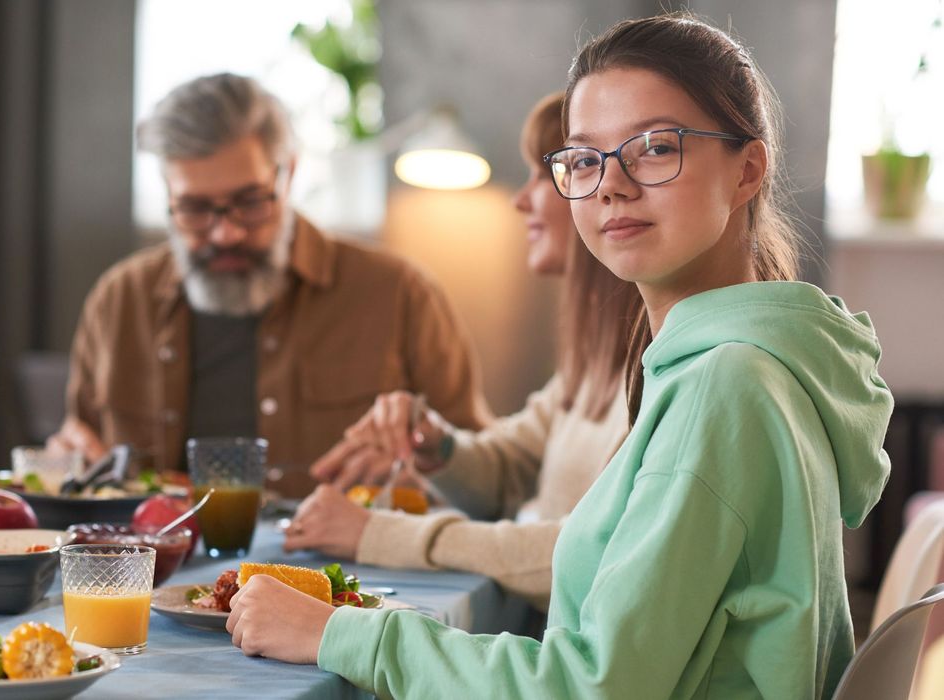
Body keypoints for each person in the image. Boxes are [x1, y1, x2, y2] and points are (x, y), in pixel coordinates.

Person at [225, 14, 894, 698]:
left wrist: (336, 632)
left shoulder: (726, 386)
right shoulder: (723, 365)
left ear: (748, 169)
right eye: (582, 158)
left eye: (656, 148)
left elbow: (588, 687)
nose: (611, 184)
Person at [48, 73, 491, 495]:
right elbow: (82, 450)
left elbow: (486, 472)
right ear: (167, 194)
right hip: (160, 569)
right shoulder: (119, 301)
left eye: (249, 202)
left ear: (289, 173)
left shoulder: (398, 294)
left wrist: (421, 472)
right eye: (195, 209)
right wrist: (66, 460)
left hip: (348, 571)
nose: (226, 233)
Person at [282, 91, 637, 612]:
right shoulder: (594, 360)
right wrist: (434, 441)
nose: (522, 199)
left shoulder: (658, 369)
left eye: (552, 173)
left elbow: (582, 551)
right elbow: (508, 467)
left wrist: (378, 534)